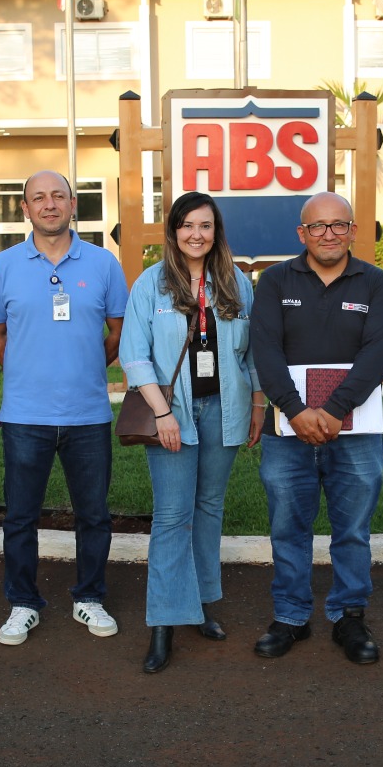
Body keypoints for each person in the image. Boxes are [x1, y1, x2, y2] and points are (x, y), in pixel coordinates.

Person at [0, 171, 127, 646]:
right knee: (21, 516)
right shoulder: (3, 266)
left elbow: (117, 333)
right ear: (24, 208)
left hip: (88, 414)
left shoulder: (104, 263)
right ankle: (23, 603)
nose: (49, 205)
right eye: (38, 198)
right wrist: (28, 370)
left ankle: (89, 597)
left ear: (72, 205)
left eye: (58, 196)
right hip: (25, 415)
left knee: (94, 515)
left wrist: (85, 365)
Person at [250, 192, 383, 664]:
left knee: (352, 529)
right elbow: (265, 351)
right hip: (287, 429)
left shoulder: (375, 284)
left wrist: (334, 409)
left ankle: (348, 616)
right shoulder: (273, 281)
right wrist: (295, 411)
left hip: (355, 428)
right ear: (302, 234)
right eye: (318, 227)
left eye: (338, 225)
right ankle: (291, 615)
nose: (328, 234)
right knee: (287, 528)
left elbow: (377, 353)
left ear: (353, 231)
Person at [120, 192, 264, 673]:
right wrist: (163, 414)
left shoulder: (238, 285)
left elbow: (253, 353)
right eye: (187, 226)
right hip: (173, 412)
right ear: (174, 231)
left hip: (225, 409)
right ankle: (163, 621)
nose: (196, 234)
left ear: (216, 231)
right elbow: (134, 355)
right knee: (172, 516)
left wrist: (258, 403)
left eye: (205, 225)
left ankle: (199, 604)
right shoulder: (150, 285)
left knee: (208, 509)